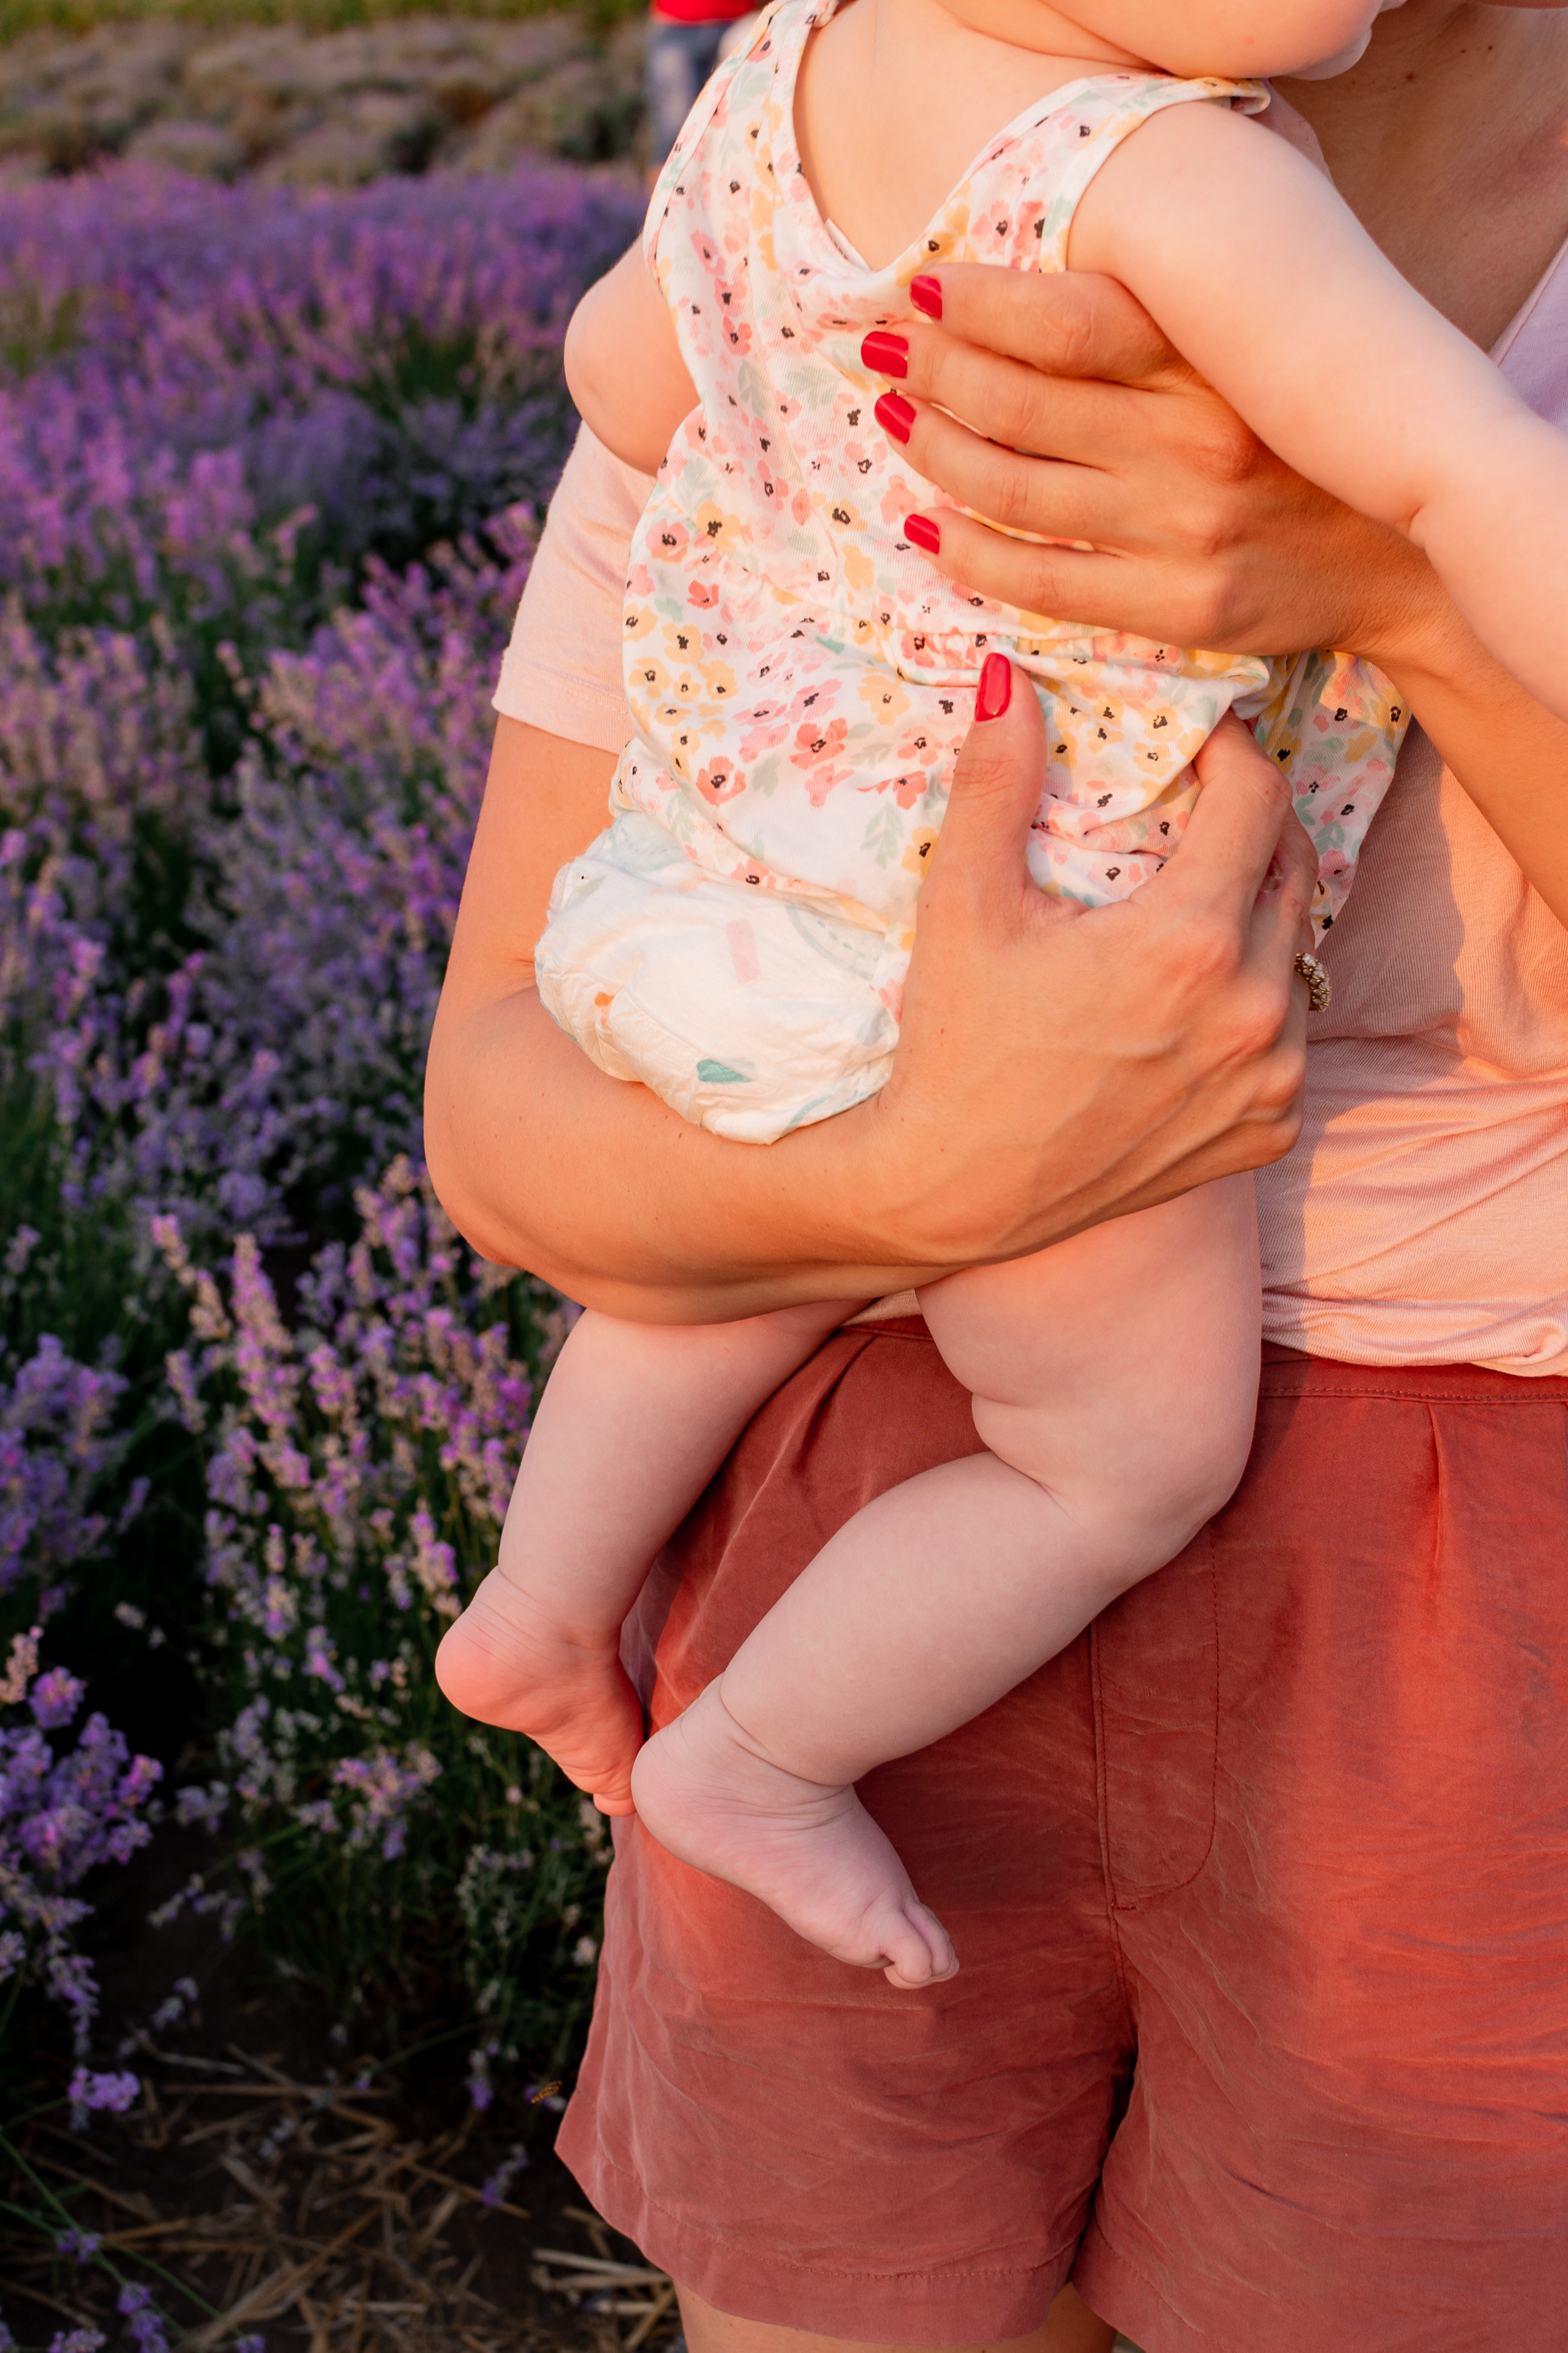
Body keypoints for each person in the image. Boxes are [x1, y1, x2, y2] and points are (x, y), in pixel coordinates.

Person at [425, 0, 1568, 2340]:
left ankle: (547, 1597)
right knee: (1111, 1449)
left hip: (764, 967)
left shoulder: (792, 92)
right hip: (927, 1447)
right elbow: (493, 1127)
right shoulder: (1180, 178)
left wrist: (1389, 598)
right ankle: (736, 1743)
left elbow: (626, 368)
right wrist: (950, 1162)